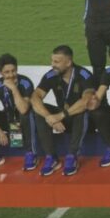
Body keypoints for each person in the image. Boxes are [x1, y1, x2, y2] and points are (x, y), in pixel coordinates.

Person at [31, 45, 96, 177]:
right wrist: (49, 117)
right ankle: (51, 157)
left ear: (68, 62)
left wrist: (60, 116)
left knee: (82, 110)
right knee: (38, 110)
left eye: (56, 62)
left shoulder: (84, 75)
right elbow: (35, 97)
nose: (52, 65)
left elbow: (86, 101)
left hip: (80, 120)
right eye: (52, 61)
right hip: (61, 118)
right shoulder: (51, 75)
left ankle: (72, 156)